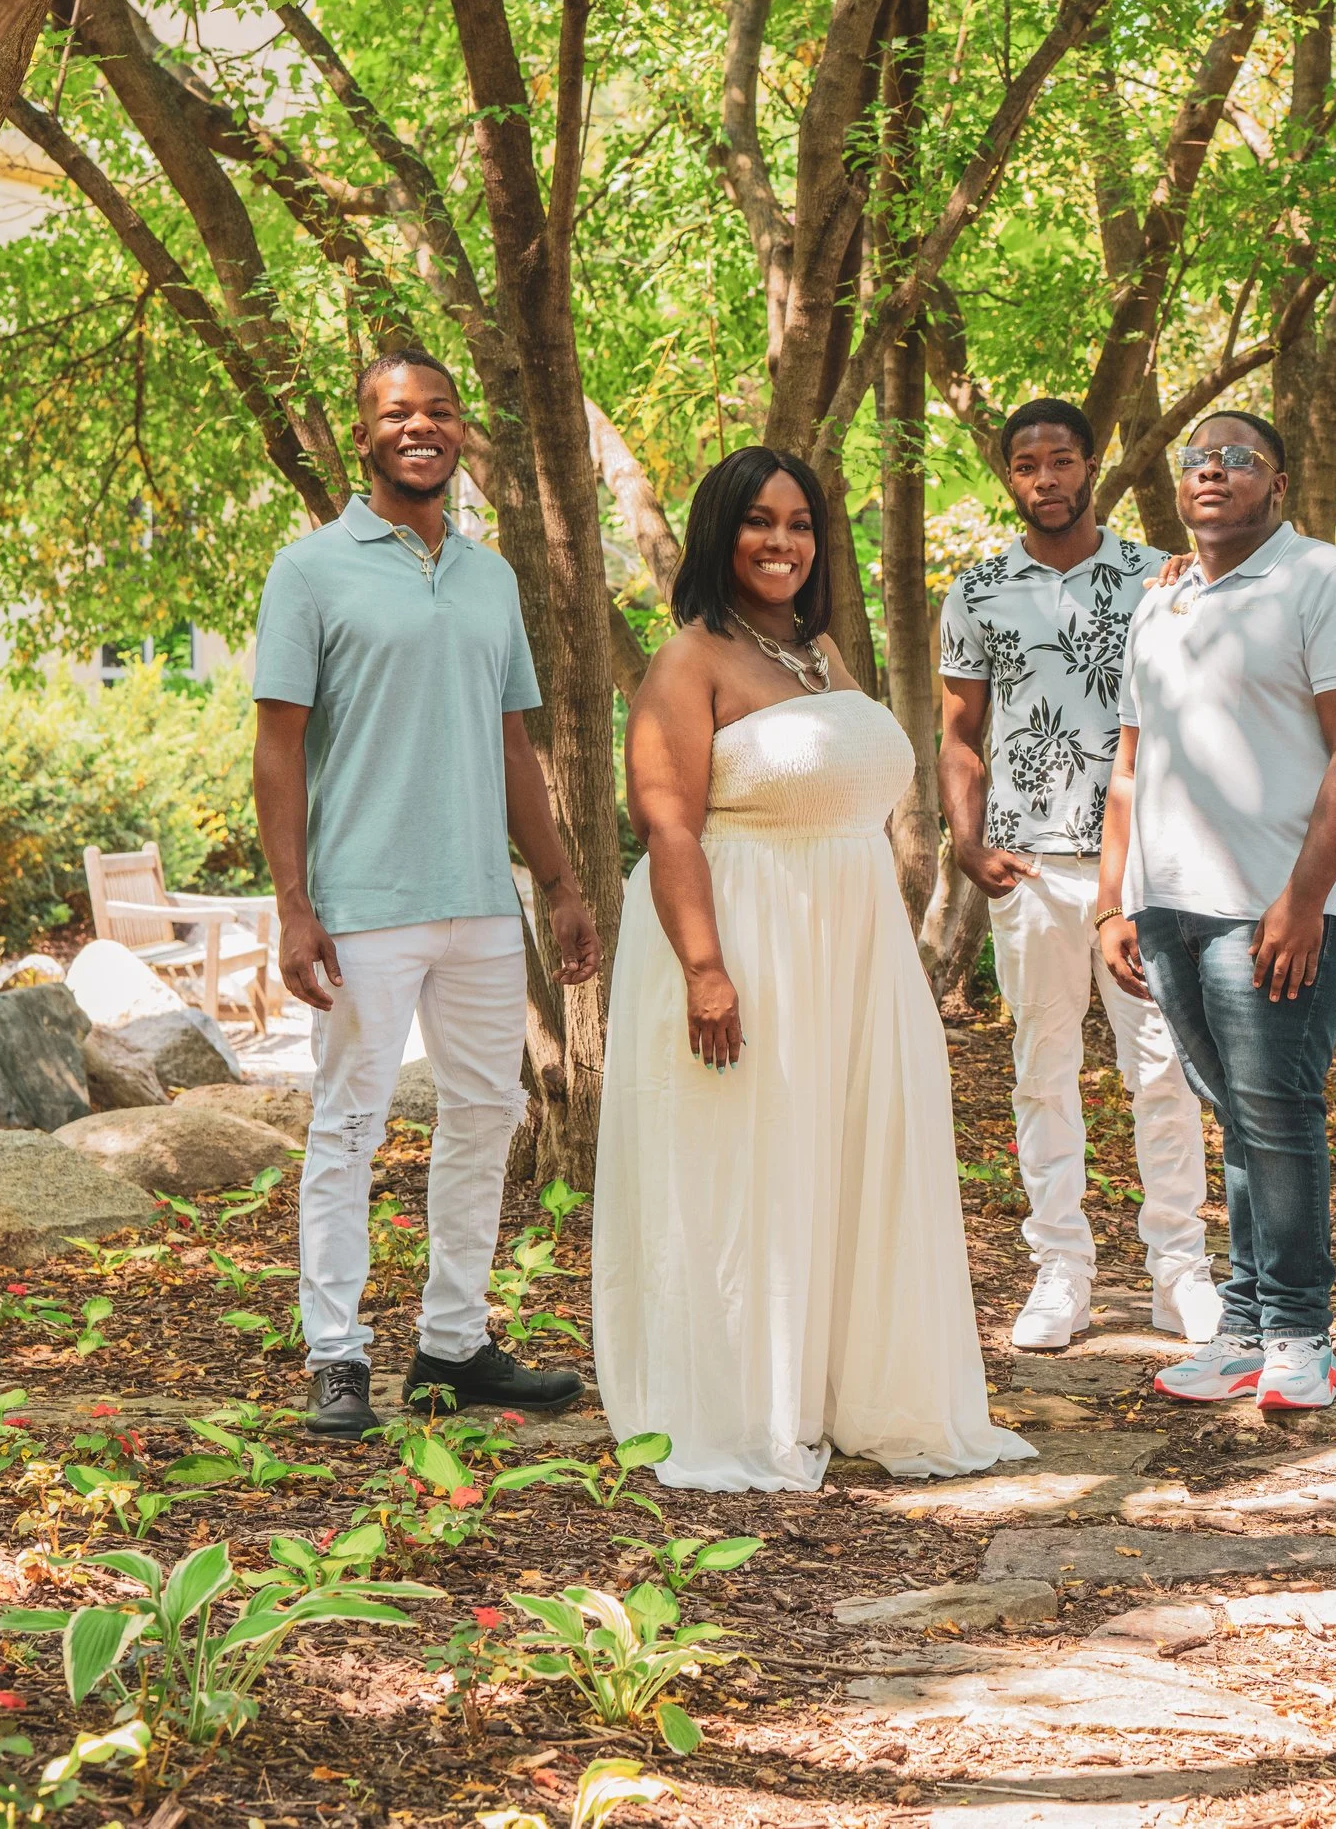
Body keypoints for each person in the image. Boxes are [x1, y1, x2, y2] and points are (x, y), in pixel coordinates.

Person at [591, 444, 1036, 1492]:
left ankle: (843, 1388)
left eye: (797, 523)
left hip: (846, 939)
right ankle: (742, 1398)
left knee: (843, 1153)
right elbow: (669, 831)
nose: (780, 542)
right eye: (757, 522)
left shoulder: (818, 651)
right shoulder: (688, 659)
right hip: (740, 935)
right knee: (742, 1163)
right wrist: (706, 969)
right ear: (717, 533)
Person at [253, 348, 603, 1441]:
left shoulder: (491, 576)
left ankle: (453, 1347)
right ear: (362, 434)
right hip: (363, 902)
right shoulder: (309, 570)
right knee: (349, 1124)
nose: (421, 428)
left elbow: (512, 747)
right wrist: (294, 904)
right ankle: (336, 1357)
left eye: (439, 412)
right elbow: (276, 748)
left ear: (460, 433)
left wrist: (557, 882)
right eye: (397, 413)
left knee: (487, 1114)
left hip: (481, 905)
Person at [1096, 410, 1336, 1412]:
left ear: (1277, 482)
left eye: (1236, 459)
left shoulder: (1323, 581)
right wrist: (1116, 904)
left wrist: (1305, 902)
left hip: (1272, 909)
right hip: (1171, 906)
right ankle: (1245, 1328)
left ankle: (1304, 1334)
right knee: (1237, 1121)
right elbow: (1131, 766)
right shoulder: (1163, 602)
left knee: (1278, 1116)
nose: (1211, 472)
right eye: (1195, 460)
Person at [938, 398, 1220, 1353]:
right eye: (1027, 464)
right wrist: (966, 842)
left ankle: (1180, 1270)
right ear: (1007, 475)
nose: (1046, 479)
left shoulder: (1157, 580)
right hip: (1031, 873)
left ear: (1093, 465)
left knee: (1164, 1070)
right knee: (1042, 1073)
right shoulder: (977, 592)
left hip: (1145, 875)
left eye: (1063, 461)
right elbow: (959, 734)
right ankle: (1061, 1271)